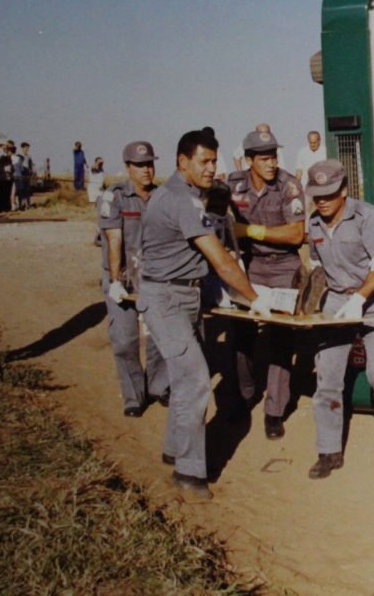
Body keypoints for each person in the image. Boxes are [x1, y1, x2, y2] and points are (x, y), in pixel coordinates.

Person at [137, 128, 271, 499]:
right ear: (183, 162)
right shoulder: (181, 199)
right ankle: (189, 474)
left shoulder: (192, 195)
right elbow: (222, 260)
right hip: (165, 299)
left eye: (215, 161)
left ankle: (174, 450)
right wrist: (254, 299)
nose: (212, 168)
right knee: (195, 380)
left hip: (186, 296)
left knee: (185, 378)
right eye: (204, 161)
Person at [303, 159, 374, 479]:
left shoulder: (367, 217)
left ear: (344, 190)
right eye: (316, 195)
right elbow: (316, 267)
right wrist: (307, 304)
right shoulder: (314, 224)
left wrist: (360, 300)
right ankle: (328, 450)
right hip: (337, 301)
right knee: (326, 378)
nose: (321, 201)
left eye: (328, 194)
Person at [227, 129, 306, 438]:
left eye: (274, 156)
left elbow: (295, 234)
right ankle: (246, 394)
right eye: (264, 158)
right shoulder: (233, 184)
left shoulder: (289, 186)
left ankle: (274, 411)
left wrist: (250, 231)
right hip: (250, 267)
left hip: (284, 266)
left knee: (281, 339)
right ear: (249, 161)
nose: (272, 163)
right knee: (242, 333)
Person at [98, 142, 169, 417]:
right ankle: (133, 395)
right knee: (125, 339)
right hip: (122, 277)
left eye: (150, 163)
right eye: (140, 165)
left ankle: (159, 385)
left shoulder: (162, 196)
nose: (146, 170)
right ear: (128, 167)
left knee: (159, 336)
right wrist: (116, 280)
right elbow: (114, 238)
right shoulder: (113, 196)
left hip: (153, 277)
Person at [0, 142, 14, 212]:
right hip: (2, 176)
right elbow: (2, 162)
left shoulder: (5, 154)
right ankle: (1, 208)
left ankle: (4, 207)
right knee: (2, 192)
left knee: (4, 192)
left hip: (4, 176)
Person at [17, 142, 34, 210]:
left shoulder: (29, 156)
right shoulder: (18, 155)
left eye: (28, 148)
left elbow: (30, 165)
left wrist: (31, 172)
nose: (27, 149)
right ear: (22, 148)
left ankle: (28, 204)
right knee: (21, 190)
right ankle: (21, 204)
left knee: (27, 189)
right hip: (21, 173)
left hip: (27, 173)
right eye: (26, 148)